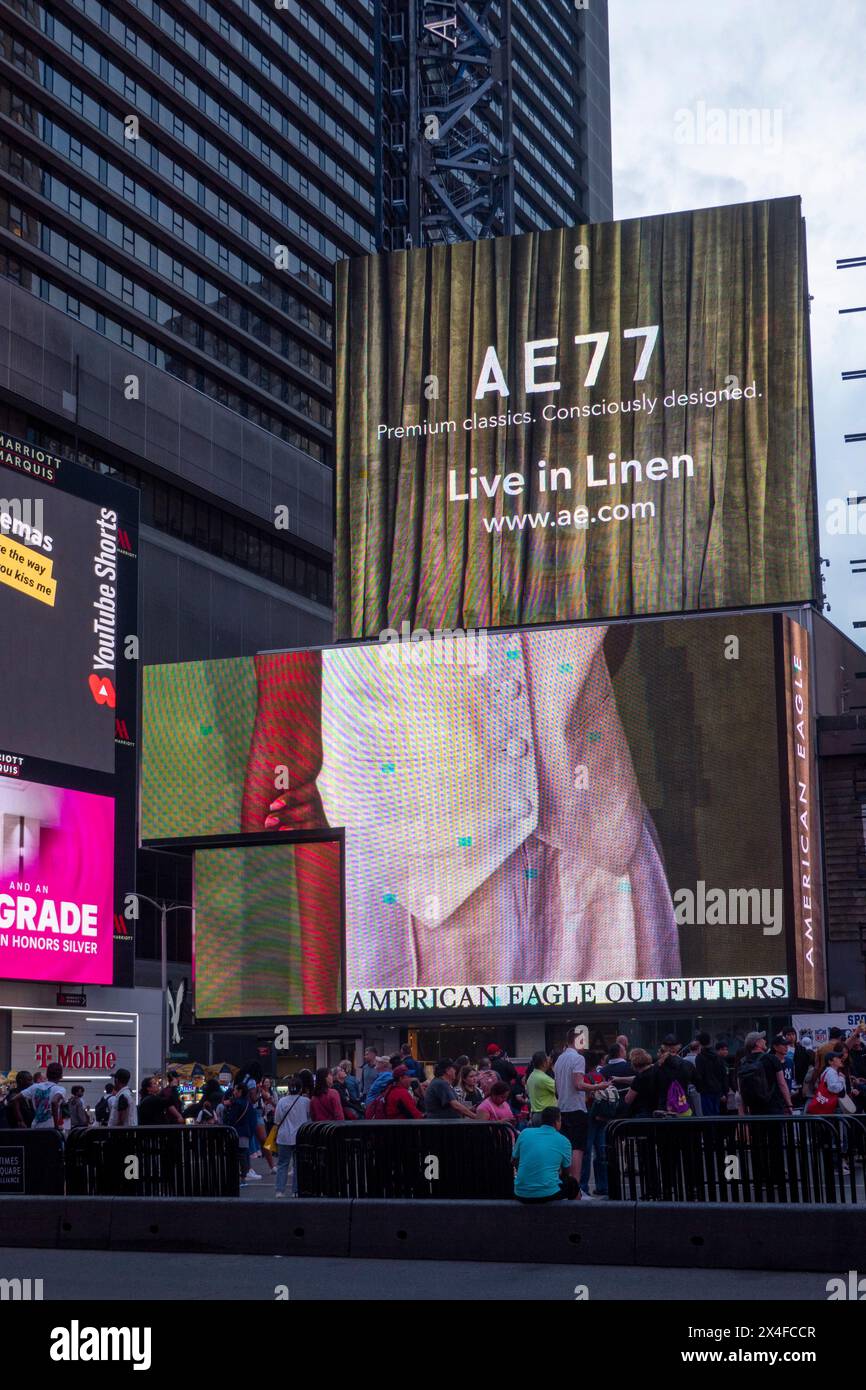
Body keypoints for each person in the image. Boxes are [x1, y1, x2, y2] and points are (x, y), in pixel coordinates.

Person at [553, 1026, 606, 1197]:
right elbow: (578, 1084)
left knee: (567, 1148)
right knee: (578, 1148)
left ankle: (568, 1188)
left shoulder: (559, 1059)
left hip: (562, 1108)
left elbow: (557, 1087)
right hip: (576, 1108)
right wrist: (598, 1086)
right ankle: (576, 1191)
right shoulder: (578, 1058)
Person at [512, 1107, 579, 1203]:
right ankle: (574, 1215)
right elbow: (566, 1172)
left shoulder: (525, 1133)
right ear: (557, 1122)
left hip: (521, 1193)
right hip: (548, 1194)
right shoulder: (564, 1141)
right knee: (573, 1183)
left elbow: (514, 1160)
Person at [273, 1069, 313, 1197]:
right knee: (298, 1165)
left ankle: (280, 1191)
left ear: (289, 1088)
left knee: (282, 1164)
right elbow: (309, 1118)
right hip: (300, 1136)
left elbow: (277, 1120)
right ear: (301, 1089)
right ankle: (295, 1191)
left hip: (284, 1136)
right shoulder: (306, 1102)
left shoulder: (281, 1101)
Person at [737, 1032, 792, 1116]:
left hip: (754, 1108)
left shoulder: (743, 1061)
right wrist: (789, 1104)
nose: (765, 1041)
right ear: (757, 1043)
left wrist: (743, 1109)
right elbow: (782, 1084)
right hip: (774, 1106)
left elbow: (741, 1088)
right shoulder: (772, 1058)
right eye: (762, 1039)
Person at [225, 1080, 267, 1183]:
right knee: (243, 1154)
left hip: (238, 1132)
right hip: (246, 1133)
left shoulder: (237, 1104)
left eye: (235, 1089)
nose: (233, 1091)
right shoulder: (248, 1104)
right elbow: (252, 1120)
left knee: (239, 1155)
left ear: (239, 1091)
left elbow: (231, 1119)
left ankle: (242, 1176)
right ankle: (244, 1175)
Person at [21, 1062, 66, 1130]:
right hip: (50, 1129)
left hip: (35, 1127)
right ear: (61, 1076)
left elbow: (14, 1100)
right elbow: (54, 1101)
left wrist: (20, 1120)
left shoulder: (35, 1087)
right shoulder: (60, 1089)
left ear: (47, 1074)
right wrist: (56, 1126)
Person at [693, 1031, 728, 1117]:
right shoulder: (718, 1057)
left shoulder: (700, 1057)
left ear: (699, 1043)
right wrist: (723, 1091)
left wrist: (699, 1088)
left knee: (707, 1116)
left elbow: (699, 1075)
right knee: (716, 1114)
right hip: (717, 1090)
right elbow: (722, 1075)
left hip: (705, 1091)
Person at [806, 1049, 849, 1116]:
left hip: (824, 1108)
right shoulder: (831, 1072)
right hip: (829, 1109)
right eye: (837, 1058)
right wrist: (841, 1079)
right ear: (830, 1062)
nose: (840, 1059)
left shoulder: (827, 1071)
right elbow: (835, 1089)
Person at [525, 1051, 557, 1122]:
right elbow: (559, 1089)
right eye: (547, 1058)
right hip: (545, 1116)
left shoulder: (531, 1076)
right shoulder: (543, 1078)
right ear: (543, 1063)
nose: (549, 1059)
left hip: (535, 1115)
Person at [624, 1049, 656, 1117]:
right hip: (657, 1112)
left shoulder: (640, 1078)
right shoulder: (656, 1071)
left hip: (643, 1113)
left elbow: (628, 1099)